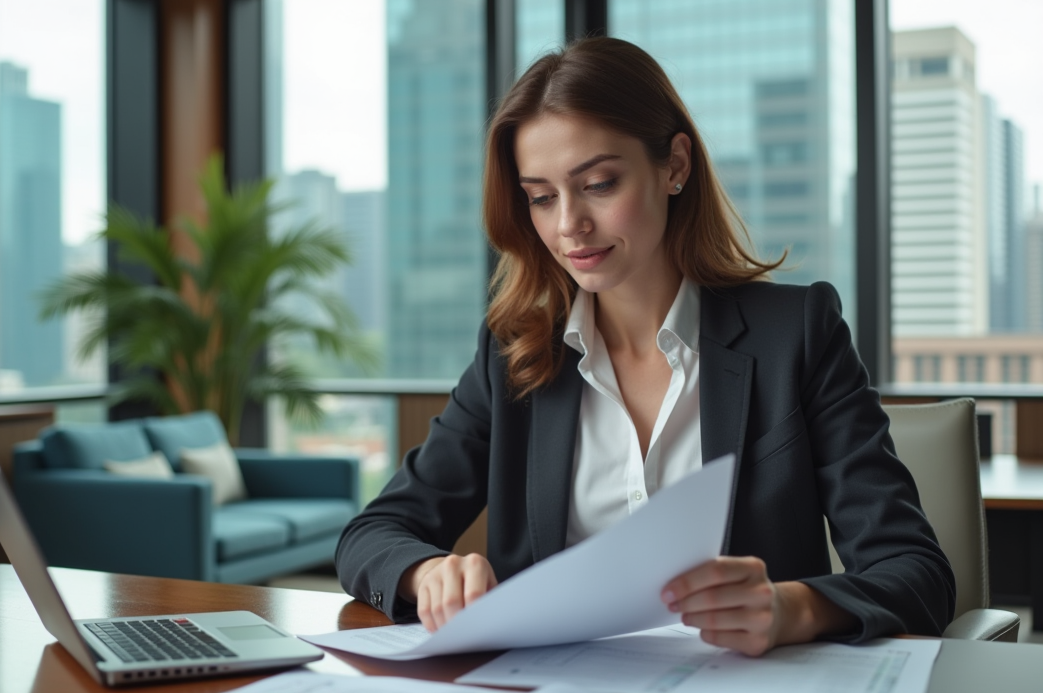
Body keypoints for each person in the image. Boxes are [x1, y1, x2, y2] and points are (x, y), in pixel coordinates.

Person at [336, 37, 954, 656]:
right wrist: (427, 572)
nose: (568, 224)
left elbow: (915, 571)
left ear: (675, 165)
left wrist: (794, 607)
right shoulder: (514, 355)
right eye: (542, 197)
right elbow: (373, 533)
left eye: (599, 184)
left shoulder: (798, 335)